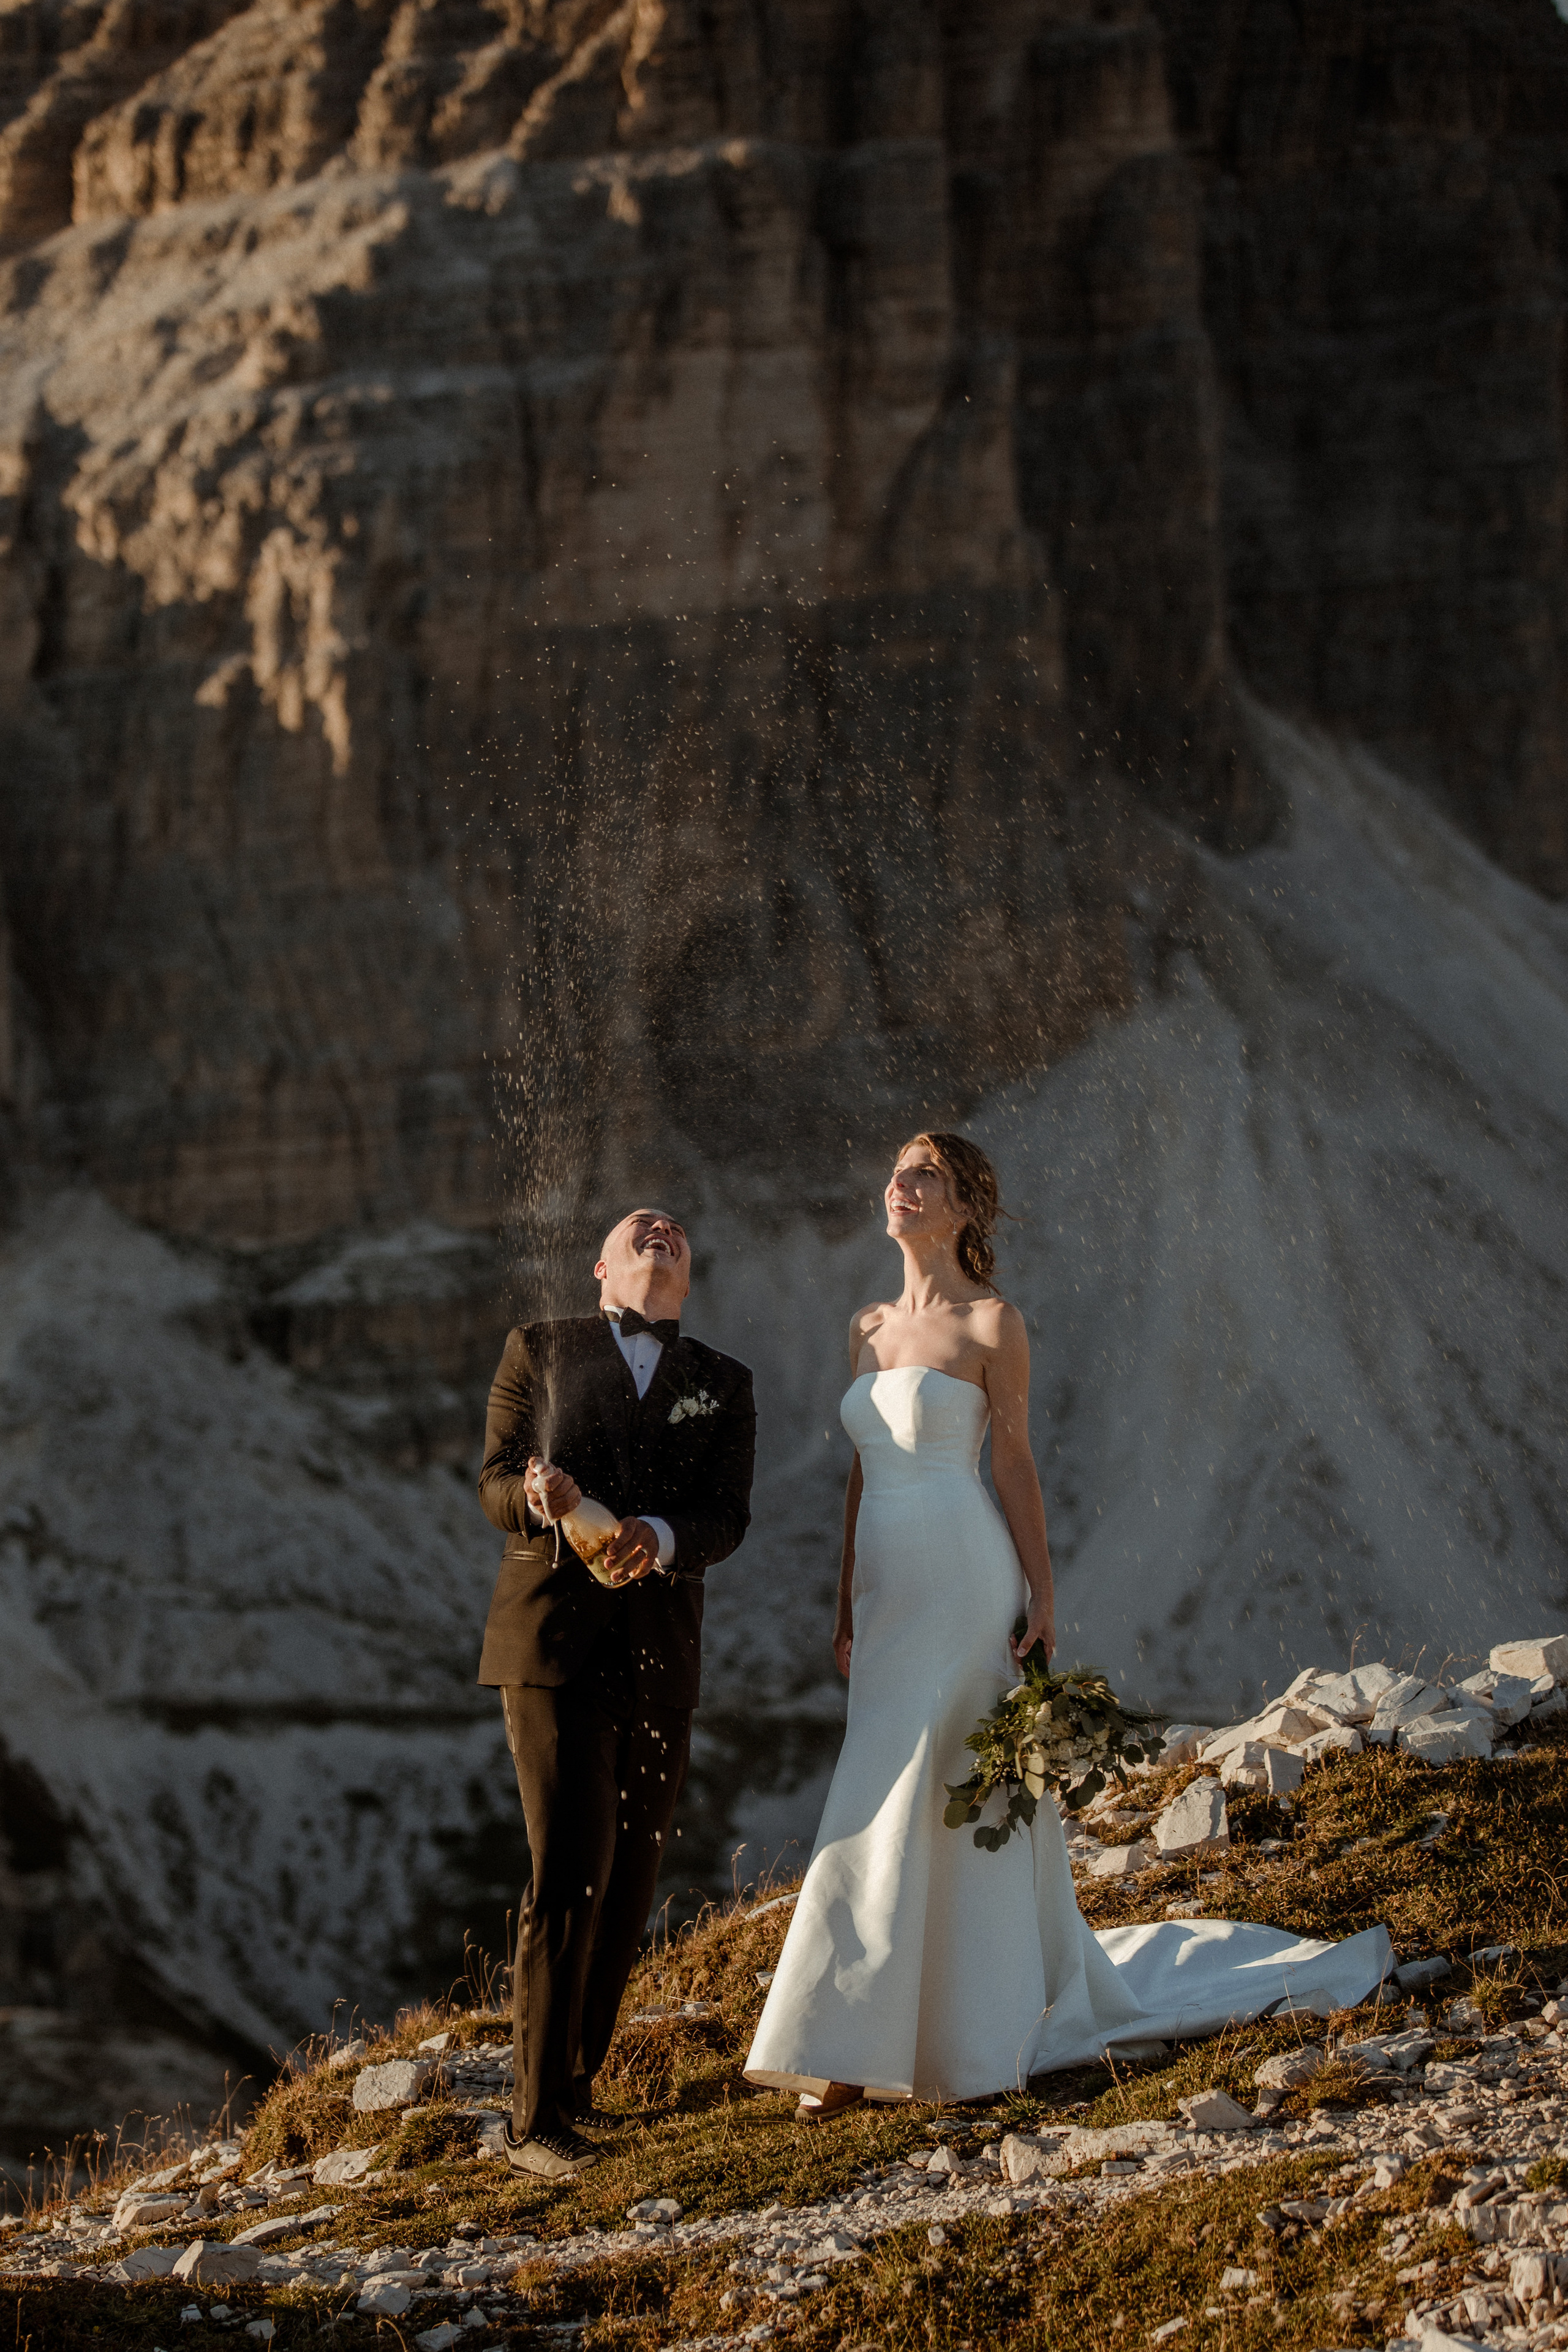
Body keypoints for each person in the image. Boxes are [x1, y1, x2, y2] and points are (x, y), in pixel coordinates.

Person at [744, 1134, 1390, 2117]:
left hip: (965, 1576)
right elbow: (860, 1477)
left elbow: (1014, 1468)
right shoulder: (866, 1326)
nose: (900, 1185)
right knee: (879, 1787)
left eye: (925, 1174)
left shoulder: (994, 1323)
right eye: (898, 1170)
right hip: (887, 1592)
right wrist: (844, 1601)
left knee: (951, 1781)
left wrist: (1042, 1594)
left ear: (963, 1209)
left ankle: (942, 2038)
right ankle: (857, 2034)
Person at [477, 1207, 755, 2177]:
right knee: (569, 1866)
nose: (663, 1230)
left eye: (677, 1229)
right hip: (552, 1645)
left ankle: (581, 2090)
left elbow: (726, 1517)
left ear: (689, 1270)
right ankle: (531, 2122)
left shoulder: (722, 1383)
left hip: (660, 1653)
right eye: (640, 1226)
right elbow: (492, 1482)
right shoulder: (540, 1347)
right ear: (602, 1268)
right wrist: (539, 1498)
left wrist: (666, 1538)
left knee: (632, 1875)